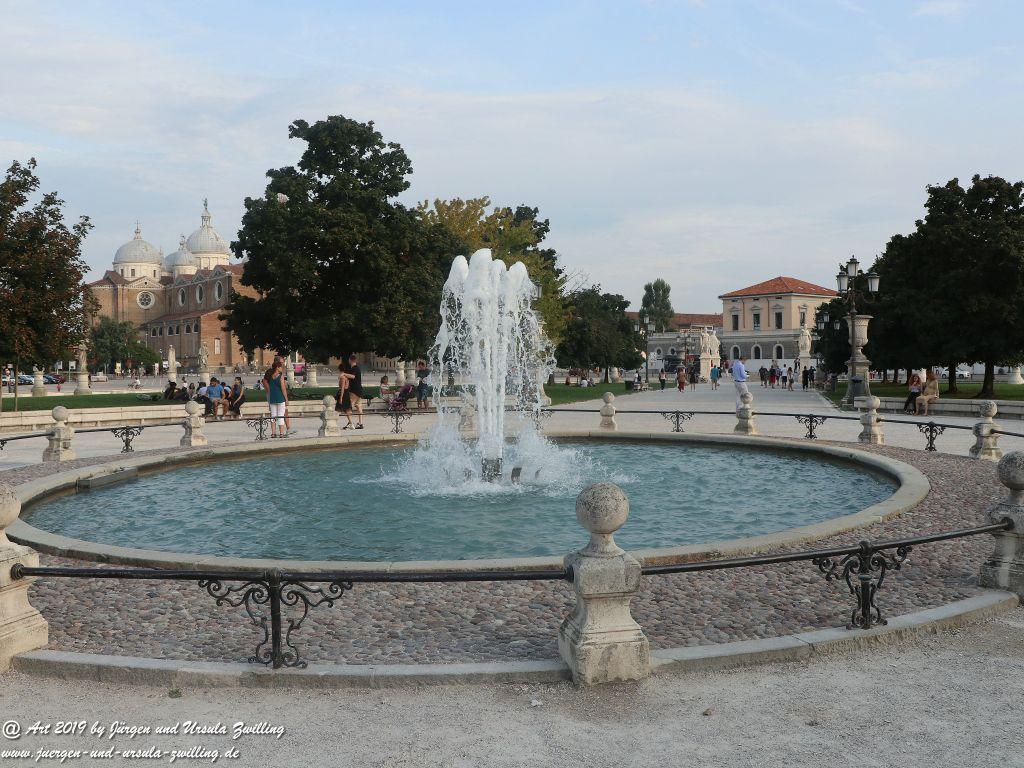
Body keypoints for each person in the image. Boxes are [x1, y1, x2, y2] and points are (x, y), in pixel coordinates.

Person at [263, 359, 289, 437]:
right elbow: (283, 389)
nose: (282, 368)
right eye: (280, 367)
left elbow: (266, 383)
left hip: (272, 398)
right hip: (280, 397)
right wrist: (286, 399)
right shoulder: (280, 376)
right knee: (281, 415)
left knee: (273, 416)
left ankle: (273, 433)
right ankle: (281, 433)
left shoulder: (270, 376)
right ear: (277, 367)